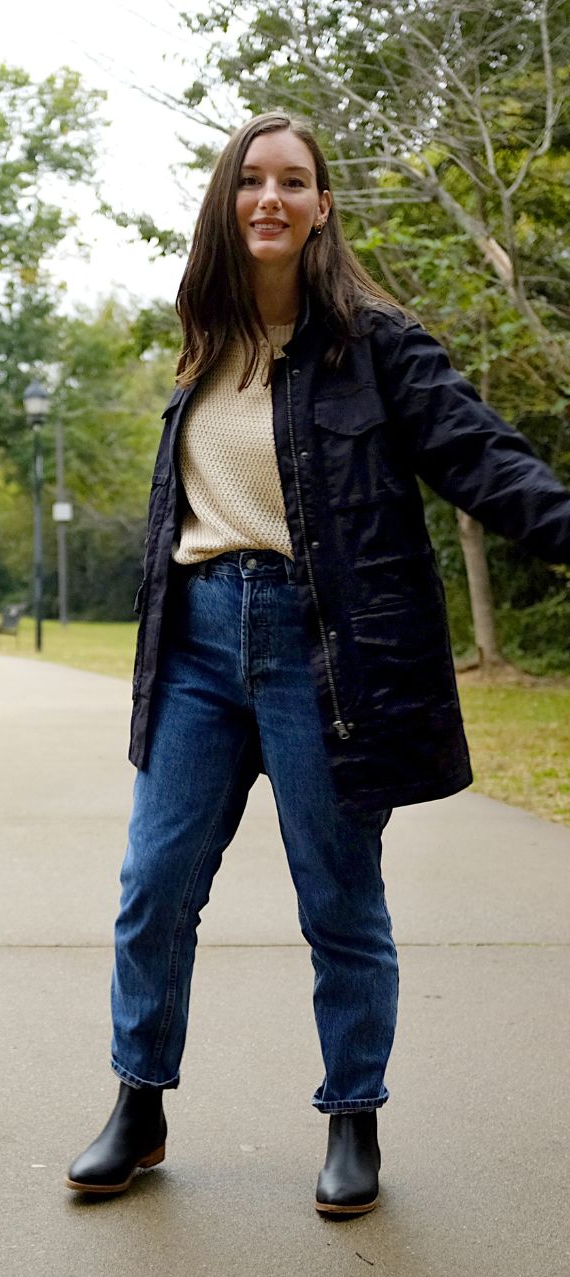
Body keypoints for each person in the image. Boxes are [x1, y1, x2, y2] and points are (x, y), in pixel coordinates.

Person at [64, 113, 570, 1216]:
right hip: (196, 643)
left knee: (337, 899)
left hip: (319, 654)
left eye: (293, 181)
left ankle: (352, 1118)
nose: (270, 199)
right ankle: (136, 1104)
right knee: (152, 888)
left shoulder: (376, 345)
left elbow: (478, 454)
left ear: (321, 206)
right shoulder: (202, 336)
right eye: (250, 180)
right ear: (225, 200)